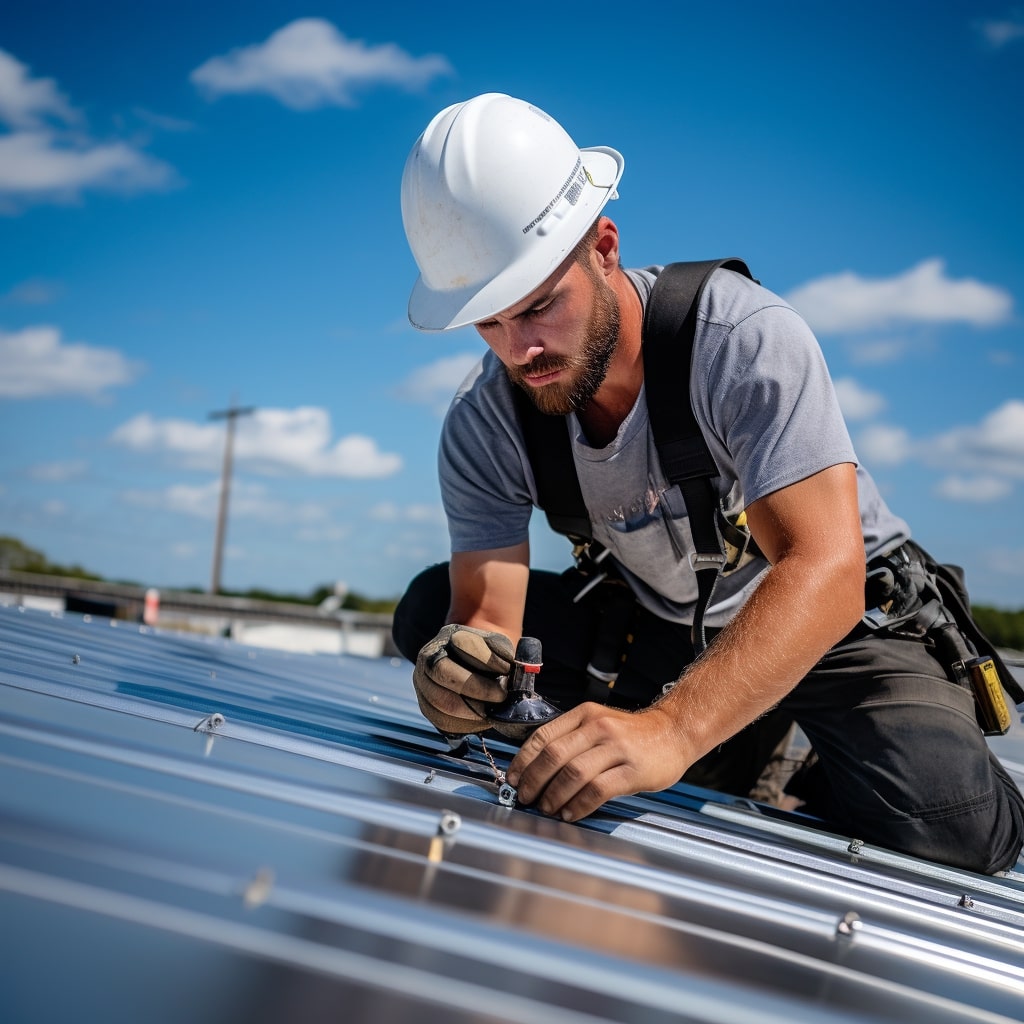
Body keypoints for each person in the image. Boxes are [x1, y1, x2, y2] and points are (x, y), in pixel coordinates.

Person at [392, 92, 1024, 874]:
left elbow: (824, 570)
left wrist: (671, 732)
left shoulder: (741, 339)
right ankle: (742, 746)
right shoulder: (487, 420)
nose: (521, 351)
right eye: (490, 322)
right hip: (668, 624)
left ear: (604, 247)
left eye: (541, 306)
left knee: (954, 829)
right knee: (430, 616)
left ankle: (803, 759)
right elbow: (488, 617)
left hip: (843, 625)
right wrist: (465, 676)